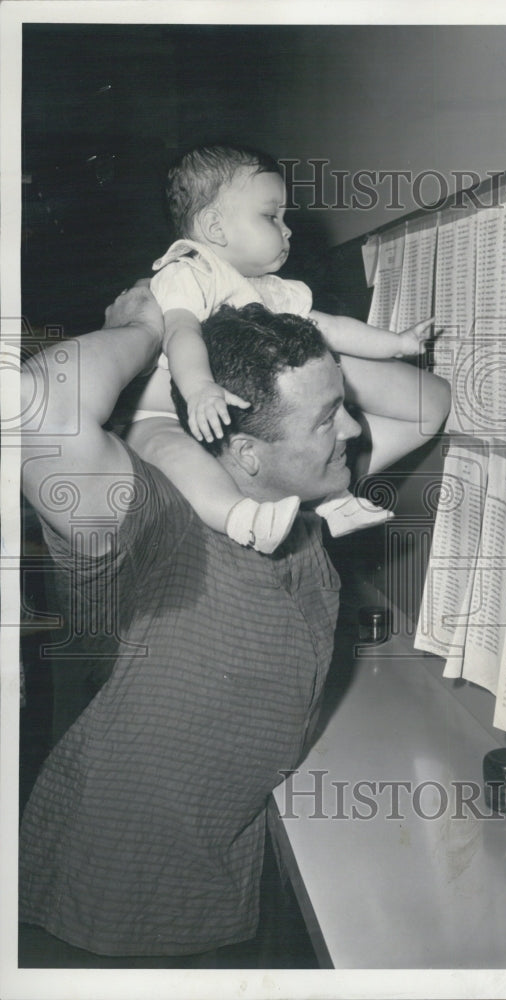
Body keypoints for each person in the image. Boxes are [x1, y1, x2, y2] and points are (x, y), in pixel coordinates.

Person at [18, 288, 375, 962]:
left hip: (222, 864)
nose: (355, 432)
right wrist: (159, 320)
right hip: (115, 892)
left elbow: (429, 400)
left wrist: (256, 321)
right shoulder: (156, 524)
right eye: (330, 418)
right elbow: (34, 409)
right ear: (244, 451)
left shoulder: (290, 504)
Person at [126, 143, 450, 551]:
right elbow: (181, 333)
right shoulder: (191, 270)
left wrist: (395, 343)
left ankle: (333, 503)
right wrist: (198, 388)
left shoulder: (268, 291)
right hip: (165, 408)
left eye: (284, 216)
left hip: (230, 417)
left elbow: (328, 328)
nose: (287, 228)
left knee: (306, 452)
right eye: (270, 215)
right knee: (168, 448)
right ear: (214, 226)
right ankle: (239, 517)